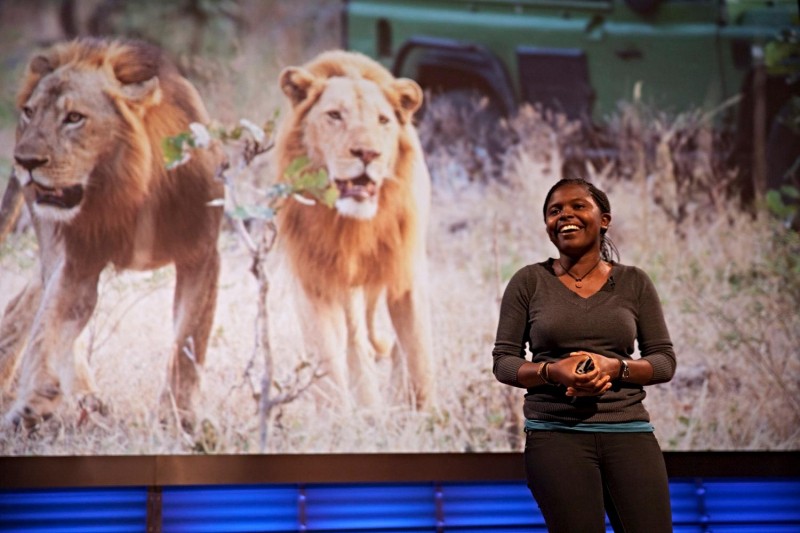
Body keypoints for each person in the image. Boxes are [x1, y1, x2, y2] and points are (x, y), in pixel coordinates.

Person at [492, 177, 677, 532]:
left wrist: (615, 368)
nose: (565, 215)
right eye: (554, 211)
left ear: (604, 220)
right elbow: (504, 362)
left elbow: (664, 361)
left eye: (578, 206)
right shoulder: (528, 281)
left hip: (629, 432)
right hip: (555, 436)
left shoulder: (634, 282)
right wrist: (553, 371)